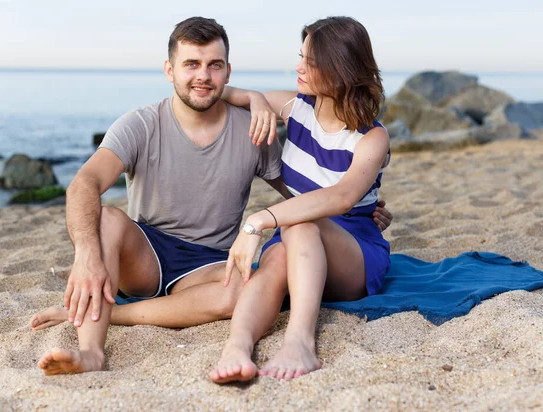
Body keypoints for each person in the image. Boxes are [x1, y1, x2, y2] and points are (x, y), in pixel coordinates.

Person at [29, 16, 393, 376]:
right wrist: (86, 255)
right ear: (169, 70)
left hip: (225, 260)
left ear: (228, 71)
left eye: (214, 66)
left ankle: (294, 342)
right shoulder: (142, 124)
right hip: (148, 251)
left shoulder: (266, 132)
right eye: (191, 64)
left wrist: (358, 209)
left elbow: (318, 194)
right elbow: (84, 183)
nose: (203, 75)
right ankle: (92, 352)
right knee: (107, 218)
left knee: (267, 258)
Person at [210, 16, 391, 383]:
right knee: (275, 261)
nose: (298, 67)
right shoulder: (296, 108)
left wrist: (259, 220)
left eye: (310, 61)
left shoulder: (372, 137)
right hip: (294, 234)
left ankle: (300, 341)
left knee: (300, 223)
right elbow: (227, 92)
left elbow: (341, 197)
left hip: (352, 251)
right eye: (300, 56)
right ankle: (238, 346)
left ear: (340, 67)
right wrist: (257, 102)